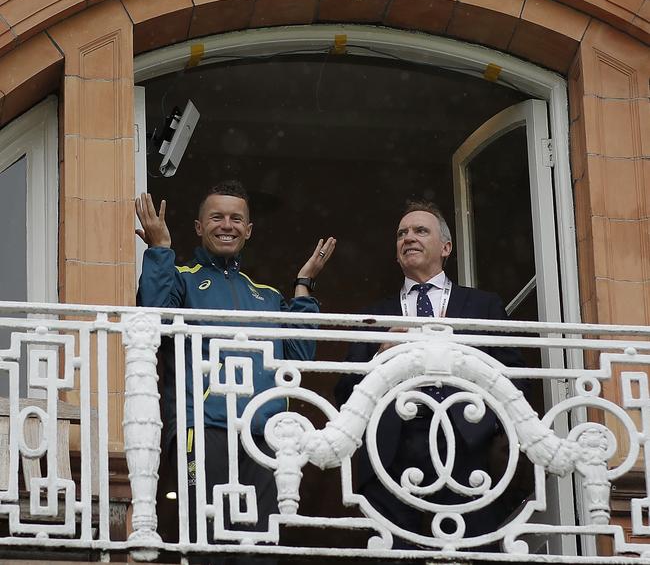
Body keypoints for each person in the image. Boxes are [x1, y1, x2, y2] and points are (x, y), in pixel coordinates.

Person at [135, 180, 335, 541]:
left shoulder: (267, 296)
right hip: (203, 427)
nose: (227, 225)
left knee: (259, 545)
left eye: (236, 219)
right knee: (207, 538)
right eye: (217, 217)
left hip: (263, 436)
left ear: (248, 230)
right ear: (199, 227)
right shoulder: (182, 279)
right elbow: (152, 317)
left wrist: (304, 286)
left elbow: (299, 356)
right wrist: (160, 249)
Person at [334, 198, 525, 547]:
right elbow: (345, 393)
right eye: (401, 233)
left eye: (421, 231)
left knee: (470, 551)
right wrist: (377, 359)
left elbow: (513, 374)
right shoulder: (374, 315)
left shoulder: (483, 305)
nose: (409, 238)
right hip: (391, 445)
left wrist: (490, 429)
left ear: (446, 247)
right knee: (393, 552)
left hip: (466, 442)